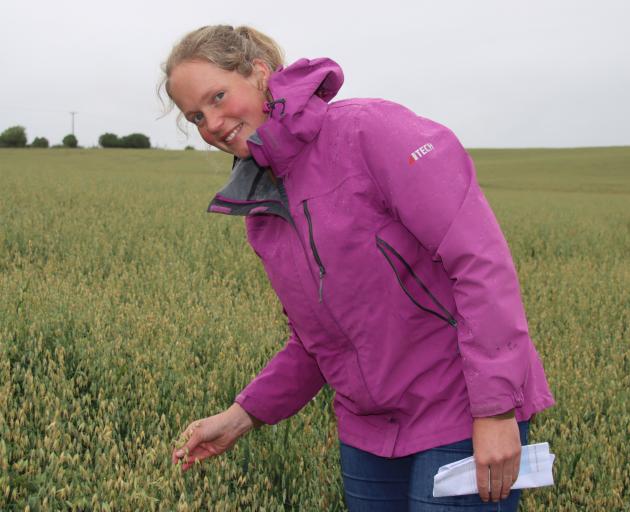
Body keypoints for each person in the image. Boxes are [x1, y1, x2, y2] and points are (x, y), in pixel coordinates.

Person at [162, 25, 555, 511]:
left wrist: (496, 410)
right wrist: (242, 415)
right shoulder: (264, 208)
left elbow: (480, 265)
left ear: (259, 73)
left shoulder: (372, 131)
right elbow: (318, 342)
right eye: (196, 115)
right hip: (367, 437)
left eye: (218, 97)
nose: (213, 123)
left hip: (461, 415)